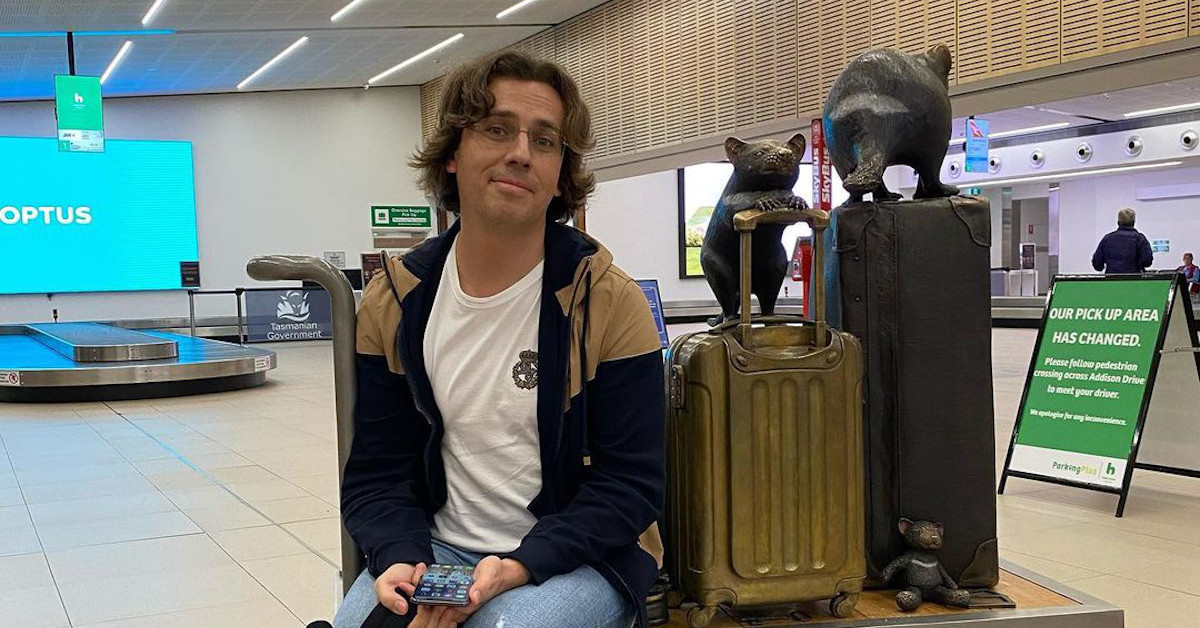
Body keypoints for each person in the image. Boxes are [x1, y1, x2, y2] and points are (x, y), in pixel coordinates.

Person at [332, 50, 665, 628]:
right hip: (434, 547)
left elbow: (630, 485)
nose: (521, 153)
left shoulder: (609, 303)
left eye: (545, 140)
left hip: (580, 556)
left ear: (560, 173)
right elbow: (378, 474)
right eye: (497, 129)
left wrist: (518, 567)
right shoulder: (395, 302)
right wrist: (400, 559)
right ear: (453, 154)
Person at [1091, 207, 1153, 274]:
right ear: (1133, 222)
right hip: (1134, 278)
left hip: (1111, 278)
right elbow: (1147, 261)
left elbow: (1097, 264)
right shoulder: (1140, 239)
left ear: (1118, 222)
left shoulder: (1107, 239)